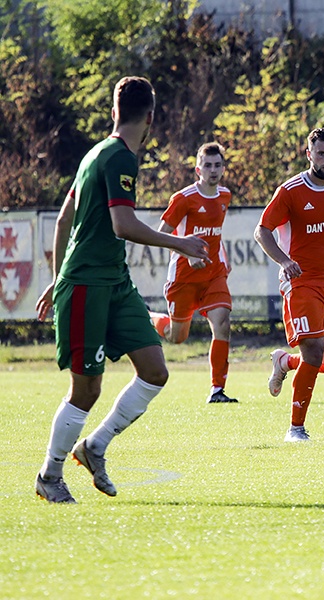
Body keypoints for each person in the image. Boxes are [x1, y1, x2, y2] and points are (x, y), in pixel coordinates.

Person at [33, 77, 210, 503]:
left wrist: (56, 273)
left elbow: (62, 221)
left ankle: (93, 447)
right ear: (151, 117)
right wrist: (180, 242)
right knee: (86, 390)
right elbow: (123, 225)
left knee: (155, 370)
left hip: (114, 281)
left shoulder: (96, 152)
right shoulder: (119, 159)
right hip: (88, 285)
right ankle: (49, 475)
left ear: (114, 111)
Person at [254, 127, 324, 442]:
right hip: (301, 280)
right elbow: (261, 231)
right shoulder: (290, 191)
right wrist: (283, 261)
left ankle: (285, 361)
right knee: (315, 351)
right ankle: (296, 428)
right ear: (309, 154)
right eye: (321, 153)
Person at [148, 142, 237, 403]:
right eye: (207, 165)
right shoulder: (183, 198)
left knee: (222, 324)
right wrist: (186, 253)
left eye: (217, 165)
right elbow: (160, 235)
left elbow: (216, 234)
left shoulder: (225, 196)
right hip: (183, 278)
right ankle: (150, 317)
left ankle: (217, 390)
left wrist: (224, 257)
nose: (213, 170)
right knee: (178, 337)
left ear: (223, 168)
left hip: (213, 275)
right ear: (198, 169)